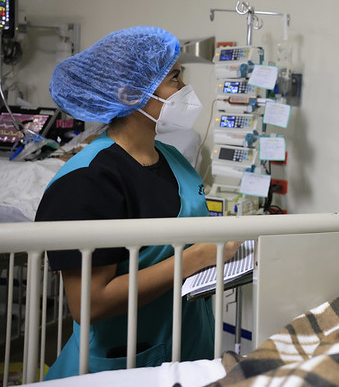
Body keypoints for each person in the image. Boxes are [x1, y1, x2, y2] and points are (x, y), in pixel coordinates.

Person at [35, 26, 240, 379]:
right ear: (130, 93)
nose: (184, 90)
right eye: (174, 78)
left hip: (187, 353)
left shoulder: (174, 158)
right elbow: (89, 302)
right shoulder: (87, 179)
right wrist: (196, 257)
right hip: (121, 368)